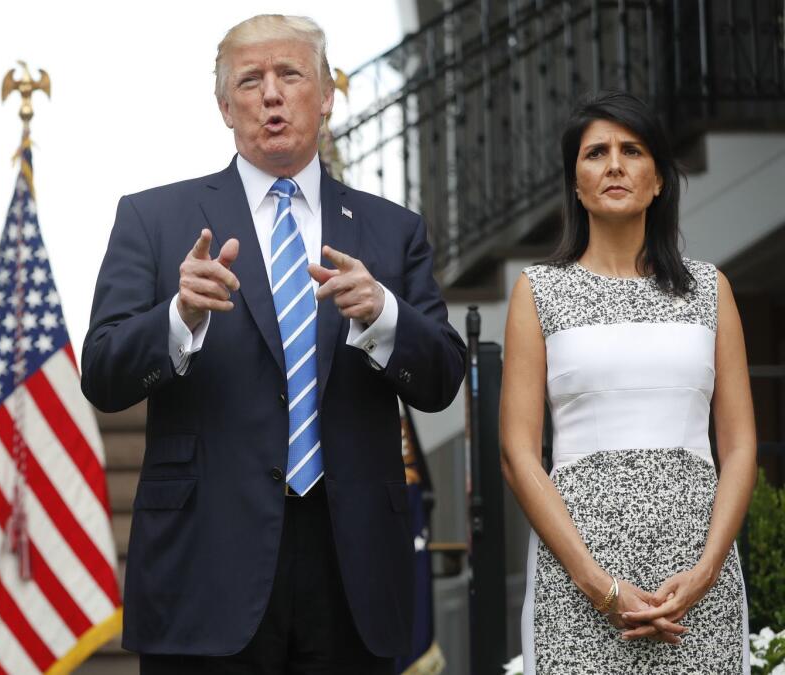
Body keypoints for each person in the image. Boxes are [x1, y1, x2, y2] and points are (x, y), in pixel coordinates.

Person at [81, 15, 465, 674]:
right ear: (224, 106)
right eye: (250, 80)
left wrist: (383, 314)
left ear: (327, 94)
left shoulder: (390, 230)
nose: (271, 94)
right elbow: (103, 374)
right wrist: (178, 316)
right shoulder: (154, 219)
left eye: (289, 74)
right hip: (204, 568)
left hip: (353, 570)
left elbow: (441, 380)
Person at [500, 90, 756, 673]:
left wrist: (707, 570)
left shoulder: (710, 289)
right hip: (578, 576)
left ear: (659, 179)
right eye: (596, 153)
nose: (614, 164)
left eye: (632, 150)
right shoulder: (537, 290)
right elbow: (518, 454)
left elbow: (740, 446)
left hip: (697, 580)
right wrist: (600, 587)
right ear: (575, 181)